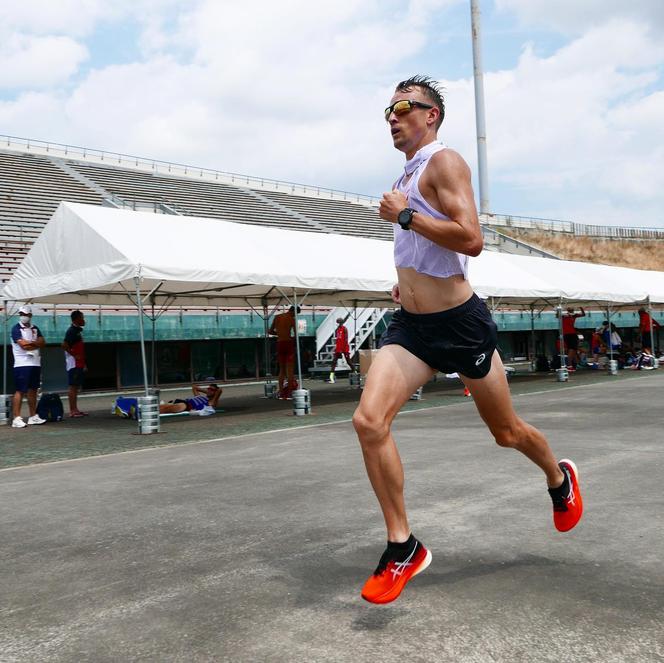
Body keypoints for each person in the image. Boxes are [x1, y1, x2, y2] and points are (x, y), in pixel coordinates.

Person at [353, 75, 583, 605]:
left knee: (506, 432)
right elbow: (429, 247)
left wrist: (405, 216)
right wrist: (407, 277)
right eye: (386, 109)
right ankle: (402, 546)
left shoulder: (445, 161)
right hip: (411, 328)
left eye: (403, 107)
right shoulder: (408, 172)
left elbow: (472, 238)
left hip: (460, 325)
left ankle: (557, 476)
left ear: (430, 115)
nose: (392, 116)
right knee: (368, 420)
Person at [10, 304, 46, 428]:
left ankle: (32, 416)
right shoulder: (16, 329)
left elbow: (43, 342)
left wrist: (32, 344)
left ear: (30, 315)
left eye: (25, 314)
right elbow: (24, 345)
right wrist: (35, 343)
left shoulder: (35, 328)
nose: (23, 317)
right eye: (21, 314)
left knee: (33, 390)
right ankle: (16, 418)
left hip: (35, 362)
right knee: (20, 390)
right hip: (21, 364)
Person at [269, 306, 300, 399]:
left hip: (279, 343)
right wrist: (290, 338)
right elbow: (295, 334)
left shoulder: (277, 317)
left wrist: (279, 334)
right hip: (288, 344)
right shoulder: (292, 319)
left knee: (282, 370)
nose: (295, 315)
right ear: (293, 312)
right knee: (290, 370)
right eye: (295, 314)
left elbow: (270, 331)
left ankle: (282, 393)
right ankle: (290, 393)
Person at [62, 310, 87, 417]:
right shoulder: (71, 331)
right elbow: (64, 345)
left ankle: (76, 409)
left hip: (79, 362)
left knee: (76, 386)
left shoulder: (78, 331)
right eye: (82, 317)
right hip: (73, 363)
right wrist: (73, 354)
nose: (84, 320)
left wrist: (84, 363)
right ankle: (72, 410)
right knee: (72, 386)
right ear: (76, 319)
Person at [328, 317, 356, 383]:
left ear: (341, 322)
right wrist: (337, 348)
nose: (337, 324)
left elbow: (345, 340)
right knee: (334, 362)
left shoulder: (344, 329)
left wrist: (342, 349)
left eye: (338, 322)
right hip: (338, 348)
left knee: (348, 362)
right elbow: (338, 340)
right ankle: (331, 377)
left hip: (344, 348)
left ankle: (355, 372)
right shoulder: (338, 329)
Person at [557, 306, 585, 371]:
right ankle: (569, 365)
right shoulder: (564, 315)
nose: (571, 309)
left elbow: (583, 314)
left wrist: (581, 308)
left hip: (571, 334)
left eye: (572, 309)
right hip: (568, 334)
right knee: (572, 350)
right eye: (570, 309)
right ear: (568, 310)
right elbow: (558, 316)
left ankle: (575, 364)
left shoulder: (574, 315)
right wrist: (558, 310)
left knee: (574, 350)